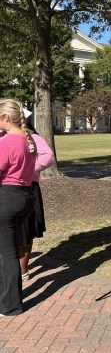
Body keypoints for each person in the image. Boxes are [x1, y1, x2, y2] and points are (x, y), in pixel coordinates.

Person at [0, 99, 36, 316]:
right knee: (8, 250)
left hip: (8, 196)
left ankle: (11, 305)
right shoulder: (28, 140)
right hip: (25, 196)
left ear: (6, 118)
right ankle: (7, 298)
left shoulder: (7, 142)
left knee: (6, 253)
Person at [18, 114, 55, 281]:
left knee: (26, 231)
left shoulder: (32, 137)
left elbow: (47, 157)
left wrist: (28, 168)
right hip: (5, 189)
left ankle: (23, 269)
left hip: (28, 189)